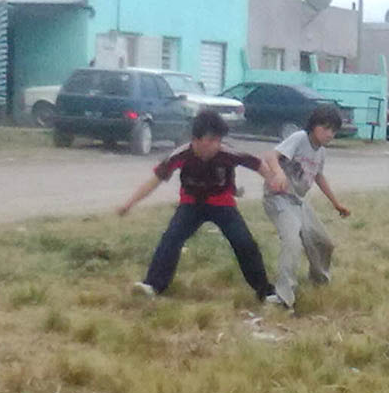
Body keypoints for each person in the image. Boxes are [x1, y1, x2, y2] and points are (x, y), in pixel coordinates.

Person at [118, 110, 278, 301]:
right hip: (191, 204)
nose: (216, 145)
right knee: (171, 238)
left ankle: (265, 291)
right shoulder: (181, 155)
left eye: (218, 140)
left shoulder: (226, 152)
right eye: (212, 140)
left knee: (244, 243)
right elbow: (154, 181)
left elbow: (257, 164)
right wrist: (129, 203)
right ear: (197, 140)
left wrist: (273, 180)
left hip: (222, 203)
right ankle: (152, 285)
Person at [260, 104, 351, 311]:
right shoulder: (300, 138)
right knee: (292, 241)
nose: (330, 134)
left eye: (334, 130)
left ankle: (319, 282)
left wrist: (336, 203)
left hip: (298, 202)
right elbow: (270, 156)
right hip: (278, 198)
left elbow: (318, 176)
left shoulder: (321, 152)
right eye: (325, 128)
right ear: (314, 126)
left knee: (323, 242)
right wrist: (279, 173)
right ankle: (283, 296)